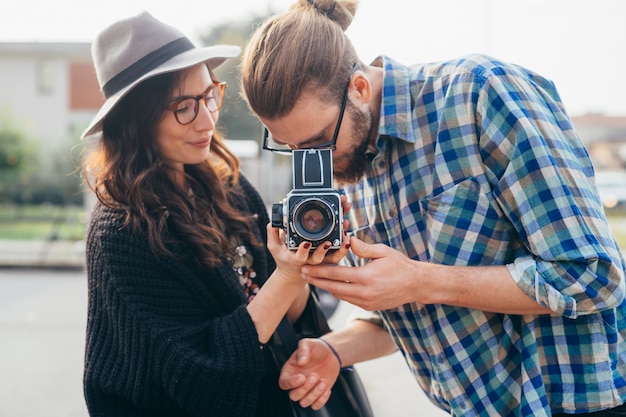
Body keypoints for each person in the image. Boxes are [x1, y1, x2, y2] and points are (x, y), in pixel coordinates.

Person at [240, 0, 626, 415]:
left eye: (316, 143)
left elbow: (591, 274)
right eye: (289, 148)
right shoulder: (348, 169)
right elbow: (413, 313)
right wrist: (334, 351)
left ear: (359, 88)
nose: (310, 162)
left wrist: (421, 281)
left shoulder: (480, 92)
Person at [80, 11, 350, 417]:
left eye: (209, 96)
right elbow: (196, 375)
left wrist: (307, 263)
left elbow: (289, 315)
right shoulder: (120, 231)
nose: (207, 119)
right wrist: (288, 277)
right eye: (183, 107)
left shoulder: (230, 189)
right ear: (136, 119)